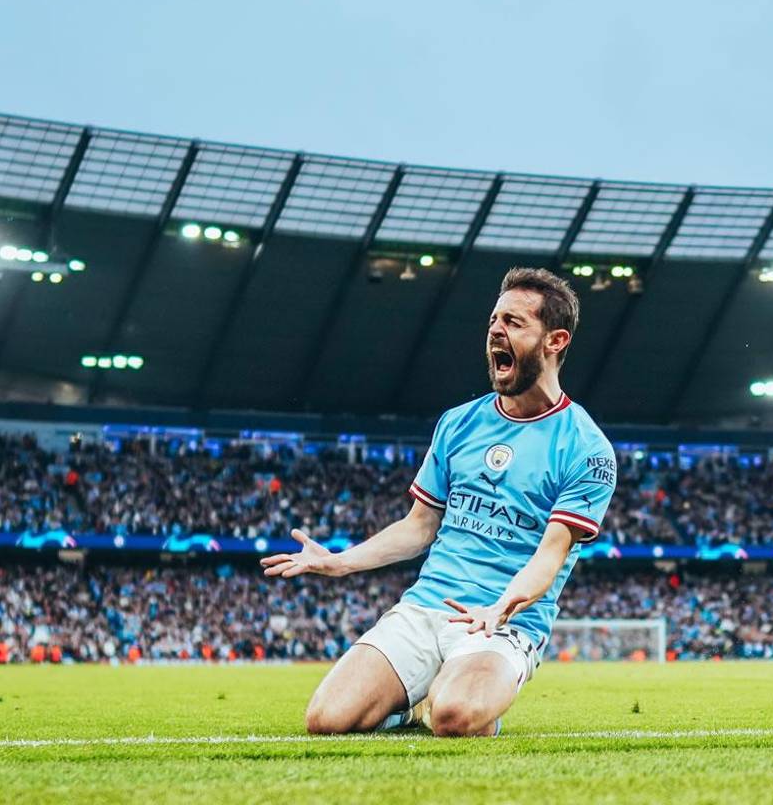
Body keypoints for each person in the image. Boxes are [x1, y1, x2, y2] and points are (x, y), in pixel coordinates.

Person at [262, 267, 616, 737]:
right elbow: (418, 527)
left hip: (503, 624)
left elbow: (550, 556)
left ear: (554, 341)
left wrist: (502, 607)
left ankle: (451, 695)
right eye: (494, 320)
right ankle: (413, 701)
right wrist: (341, 563)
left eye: (513, 322)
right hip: (426, 608)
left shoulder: (586, 447)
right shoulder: (457, 423)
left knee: (454, 717)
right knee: (326, 720)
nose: (495, 330)